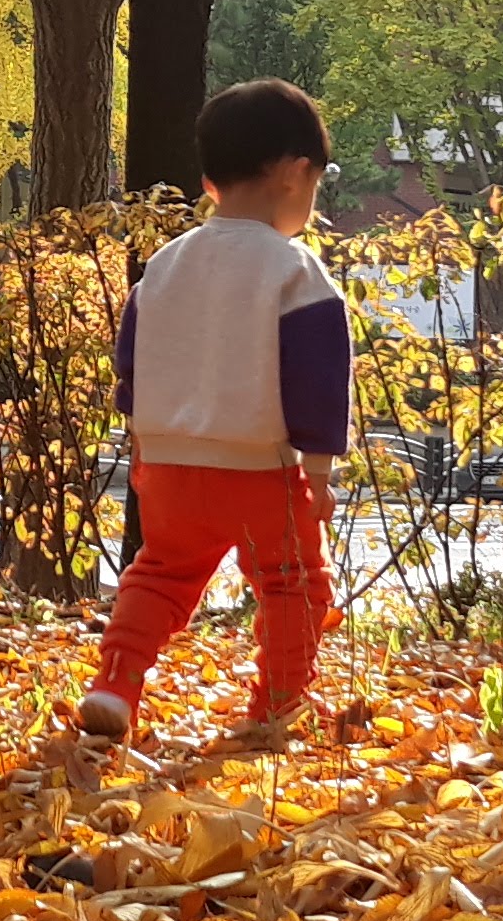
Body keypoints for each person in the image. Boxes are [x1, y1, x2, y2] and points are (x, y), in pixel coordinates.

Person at [75, 79, 353, 747]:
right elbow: (316, 377)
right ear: (293, 174)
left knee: (161, 574)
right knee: (292, 586)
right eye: (317, 182)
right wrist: (319, 471)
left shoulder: (164, 266)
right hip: (262, 468)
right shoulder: (295, 271)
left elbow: (132, 364)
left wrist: (142, 441)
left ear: (207, 181)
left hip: (170, 464)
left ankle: (115, 682)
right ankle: (276, 704)